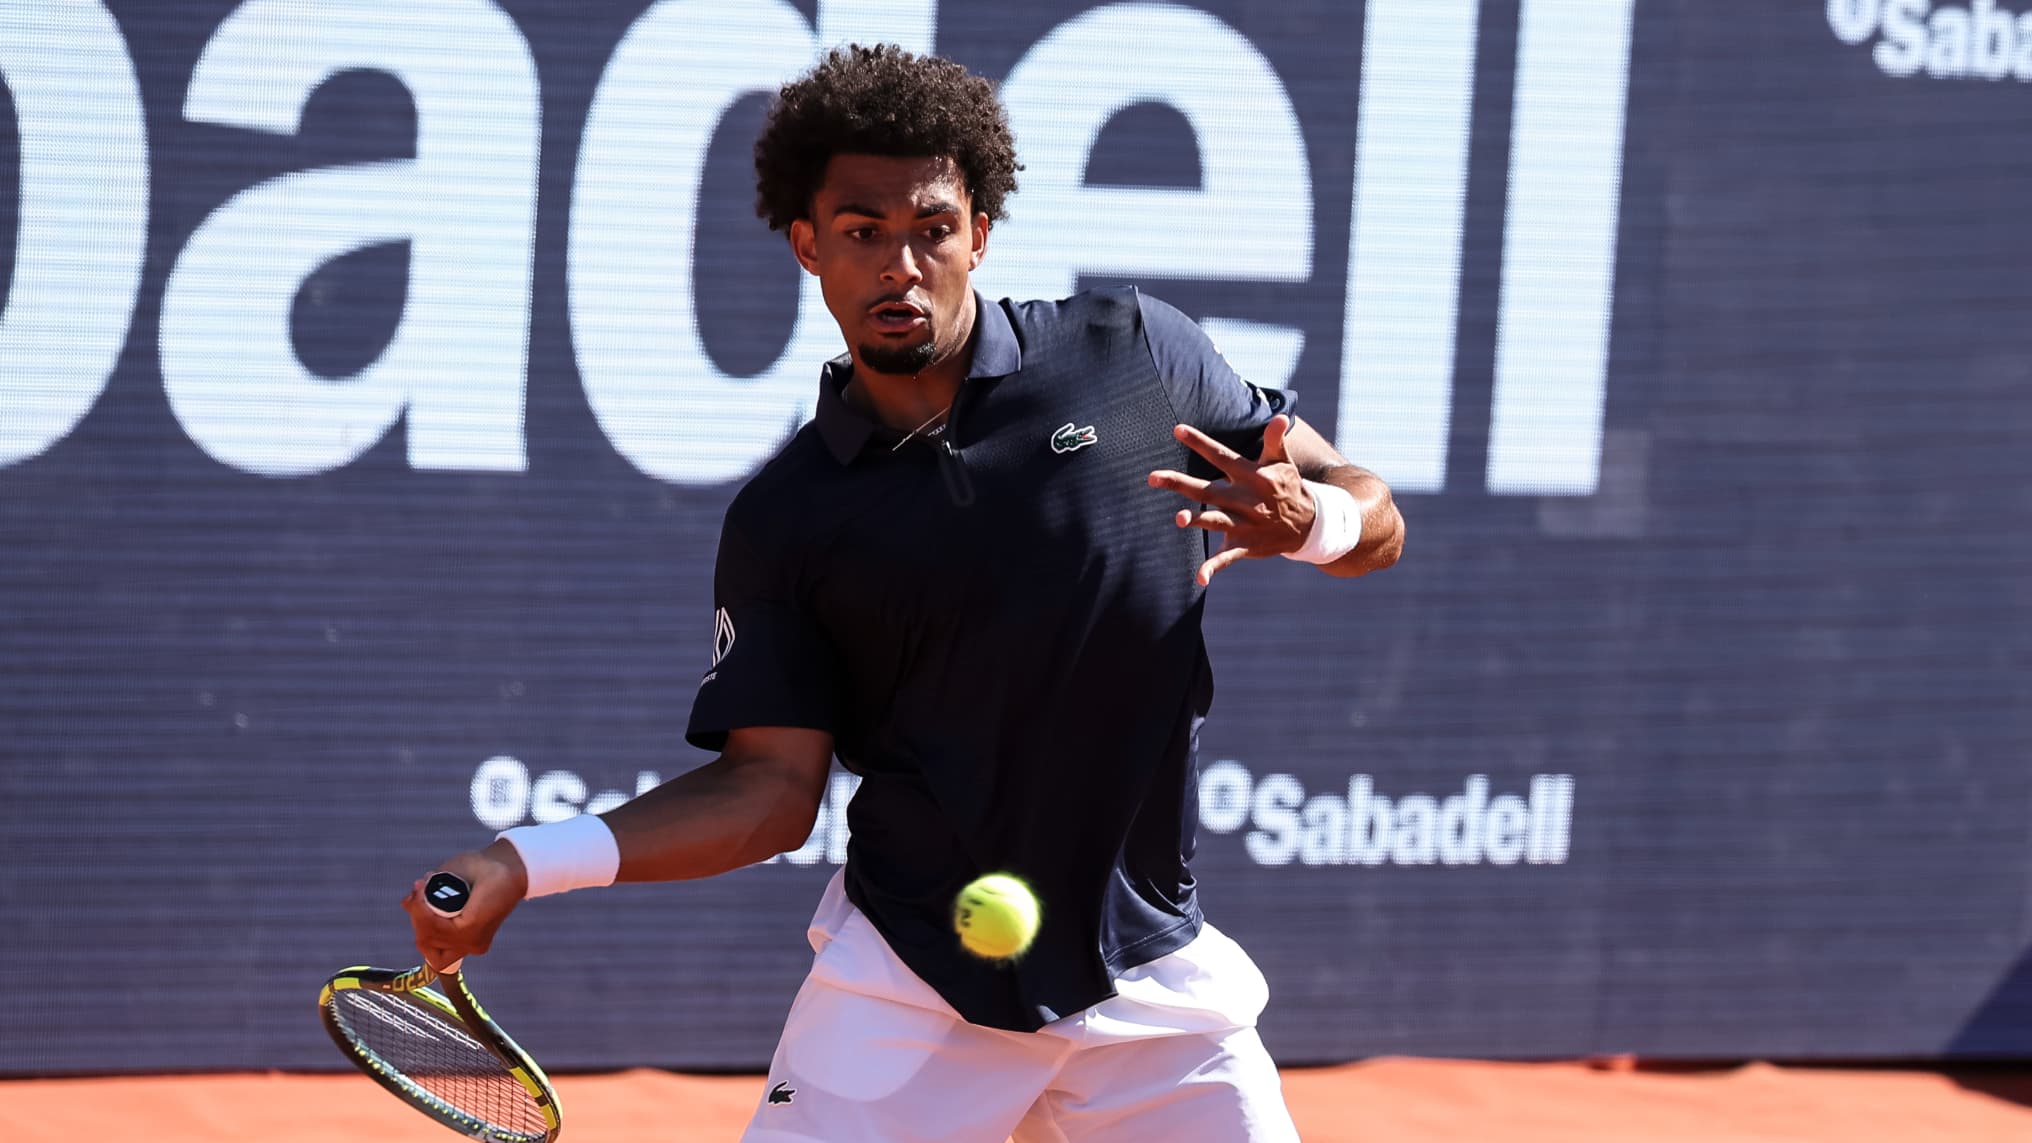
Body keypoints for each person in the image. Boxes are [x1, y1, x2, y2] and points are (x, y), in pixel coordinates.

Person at [405, 43, 1403, 1143]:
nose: (901, 264)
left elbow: (1371, 513)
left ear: (980, 232)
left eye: (933, 227)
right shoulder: (788, 518)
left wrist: (1319, 523)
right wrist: (521, 863)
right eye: (863, 232)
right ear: (809, 246)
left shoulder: (1134, 357)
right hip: (905, 992)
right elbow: (769, 793)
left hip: (1152, 981)